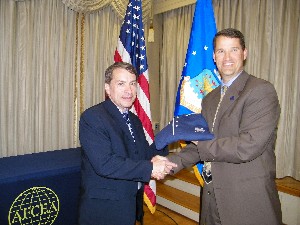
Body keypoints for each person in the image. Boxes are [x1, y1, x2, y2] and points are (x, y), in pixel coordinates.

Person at [166, 28, 283, 225]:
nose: (227, 57)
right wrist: (168, 163)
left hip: (246, 201)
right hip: (212, 199)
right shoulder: (210, 98)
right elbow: (202, 145)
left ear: (244, 53)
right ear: (214, 56)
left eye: (234, 50)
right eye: (221, 51)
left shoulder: (260, 91)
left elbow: (247, 146)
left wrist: (199, 144)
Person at [78, 62, 176, 225]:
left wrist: (167, 137)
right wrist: (151, 168)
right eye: (121, 84)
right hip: (104, 210)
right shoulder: (93, 117)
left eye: (132, 83)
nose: (128, 90)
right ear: (108, 88)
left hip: (129, 203)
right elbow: (105, 164)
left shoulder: (134, 120)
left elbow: (143, 155)